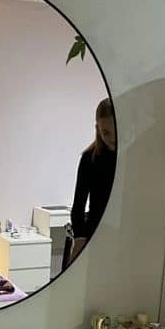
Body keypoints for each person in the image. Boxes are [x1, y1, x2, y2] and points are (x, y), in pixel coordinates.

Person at [64, 98, 117, 268]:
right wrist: (79, 238)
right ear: (97, 129)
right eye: (106, 132)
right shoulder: (89, 158)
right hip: (94, 234)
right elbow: (78, 206)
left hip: (122, 236)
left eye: (116, 131)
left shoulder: (132, 157)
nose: (112, 138)